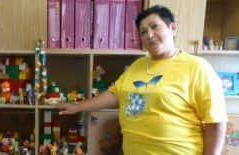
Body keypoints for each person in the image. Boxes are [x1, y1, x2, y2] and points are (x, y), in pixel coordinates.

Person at [57, 5, 227, 155]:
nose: (149, 35)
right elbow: (115, 95)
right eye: (143, 31)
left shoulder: (197, 67)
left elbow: (216, 122)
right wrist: (79, 106)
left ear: (173, 28)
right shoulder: (137, 66)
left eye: (155, 27)